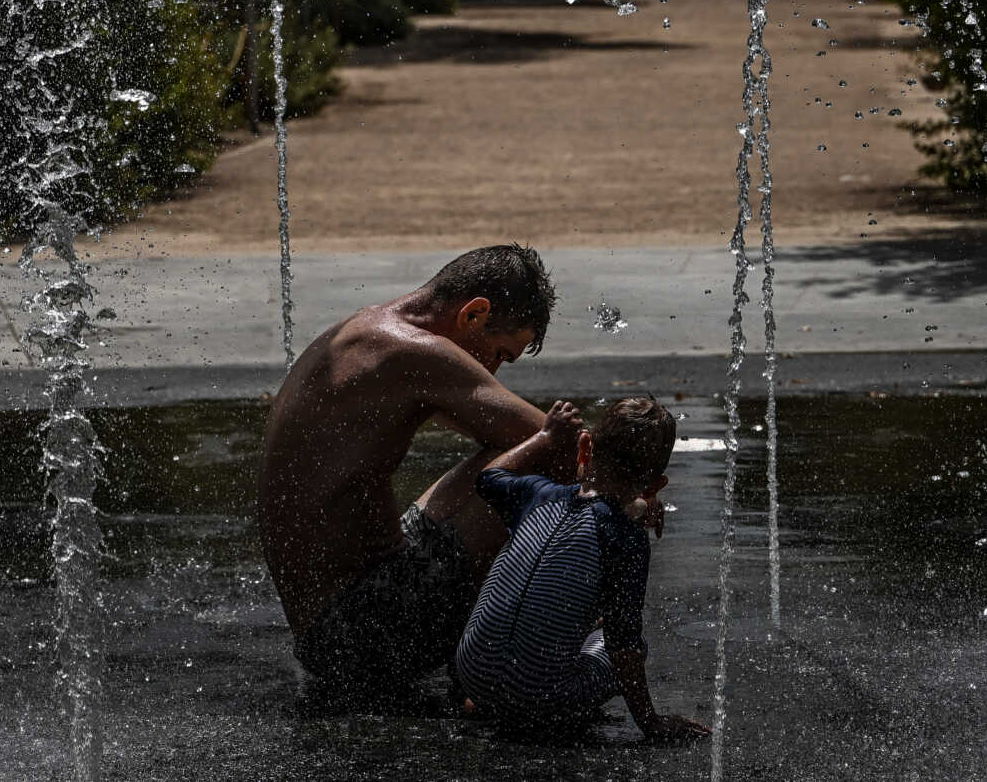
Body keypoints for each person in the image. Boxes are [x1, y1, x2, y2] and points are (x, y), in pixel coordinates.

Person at [256, 244, 572, 703]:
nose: (494, 370)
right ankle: (515, 664)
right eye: (500, 353)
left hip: (335, 624)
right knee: (545, 458)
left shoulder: (369, 330)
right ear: (474, 315)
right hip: (353, 640)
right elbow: (560, 444)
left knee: (513, 458)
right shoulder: (418, 353)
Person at [453, 395, 709, 743]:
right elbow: (624, 647)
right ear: (654, 487)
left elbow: (488, 477)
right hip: (540, 699)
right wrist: (651, 723)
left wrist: (545, 436)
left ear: (585, 446)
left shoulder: (537, 495)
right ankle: (534, 709)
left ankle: (488, 700)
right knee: (622, 640)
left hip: (472, 674)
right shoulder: (627, 539)